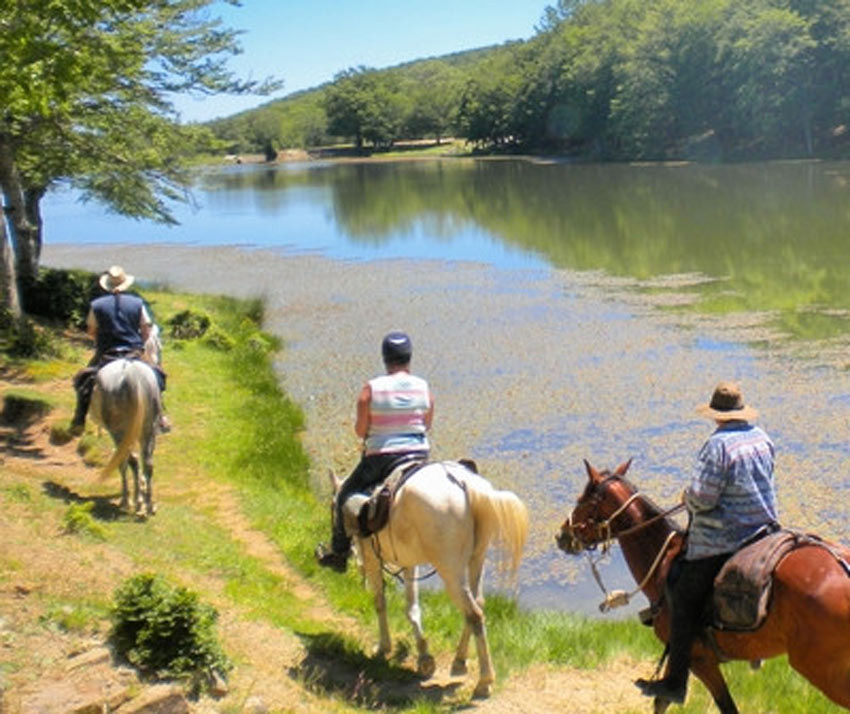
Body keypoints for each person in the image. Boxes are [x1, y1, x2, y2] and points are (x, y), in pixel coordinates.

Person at [636, 381, 779, 704]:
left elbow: (703, 498)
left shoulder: (717, 447)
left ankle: (675, 682)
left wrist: (688, 498)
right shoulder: (762, 437)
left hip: (725, 540)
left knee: (681, 595)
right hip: (765, 533)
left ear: (716, 415)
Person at [315, 331, 434, 573]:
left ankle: (339, 553)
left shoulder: (371, 389)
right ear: (409, 357)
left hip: (382, 458)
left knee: (344, 495)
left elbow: (361, 430)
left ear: (385, 358)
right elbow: (427, 423)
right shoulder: (424, 388)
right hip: (419, 456)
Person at [70, 265, 171, 435]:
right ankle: (161, 416)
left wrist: (101, 342)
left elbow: (91, 331)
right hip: (134, 352)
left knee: (83, 380)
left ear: (106, 285)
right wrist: (140, 344)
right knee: (158, 376)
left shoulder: (97, 305)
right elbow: (145, 329)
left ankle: (79, 420)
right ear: (126, 284)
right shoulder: (137, 303)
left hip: (107, 353)